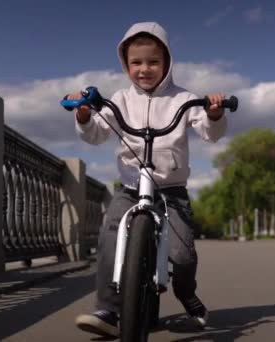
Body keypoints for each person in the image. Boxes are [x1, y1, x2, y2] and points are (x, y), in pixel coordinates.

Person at [68, 22, 228, 337]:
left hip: (171, 190)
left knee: (182, 256)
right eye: (136, 63)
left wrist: (214, 114)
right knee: (110, 236)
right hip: (130, 187)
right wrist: (85, 116)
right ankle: (110, 310)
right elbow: (98, 134)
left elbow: (210, 134)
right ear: (126, 65)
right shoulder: (120, 99)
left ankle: (185, 292)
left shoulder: (184, 98)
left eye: (153, 62)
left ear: (167, 63)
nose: (145, 69)